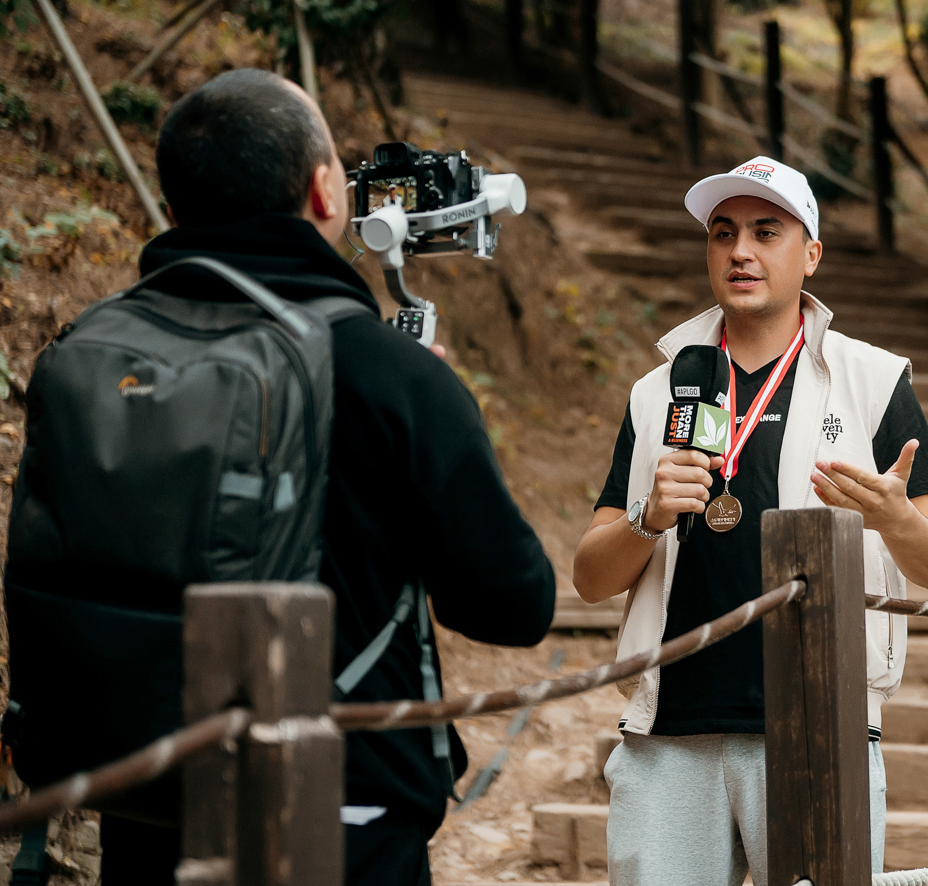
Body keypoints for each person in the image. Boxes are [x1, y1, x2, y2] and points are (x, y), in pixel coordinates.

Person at [5, 69, 556, 884]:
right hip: (342, 816)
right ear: (325, 189)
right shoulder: (393, 374)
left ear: (175, 202)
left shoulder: (97, 347)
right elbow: (514, 604)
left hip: (146, 794)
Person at [572, 156, 928, 885]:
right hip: (669, 734)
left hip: (819, 726)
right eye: (722, 233)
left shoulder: (873, 381)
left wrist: (895, 519)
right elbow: (591, 578)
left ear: (811, 254)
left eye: (766, 232)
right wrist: (648, 518)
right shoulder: (659, 392)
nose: (740, 251)